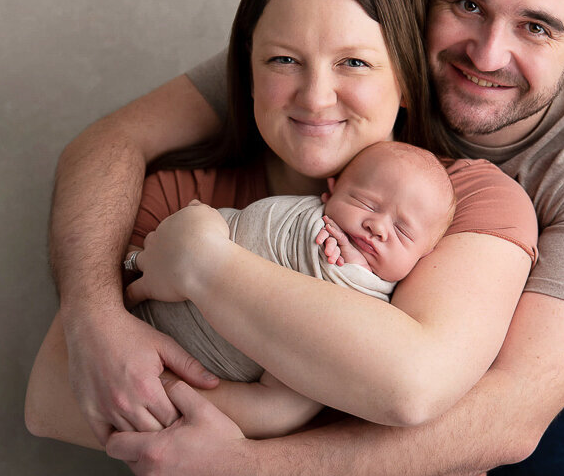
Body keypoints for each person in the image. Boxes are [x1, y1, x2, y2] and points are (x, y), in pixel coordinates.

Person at [25, 0, 538, 476]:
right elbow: (51, 402)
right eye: (284, 60)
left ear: (406, 84)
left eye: (353, 62)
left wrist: (203, 264)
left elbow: (409, 387)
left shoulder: (467, 201)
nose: (315, 97)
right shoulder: (173, 194)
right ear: (248, 75)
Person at [120, 140, 457, 440]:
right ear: (331, 191)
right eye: (365, 202)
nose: (377, 226)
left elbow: (275, 409)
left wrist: (352, 275)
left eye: (402, 231)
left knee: (273, 407)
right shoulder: (303, 216)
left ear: (425, 255)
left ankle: (153, 390)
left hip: (198, 376)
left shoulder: (380, 313)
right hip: (141, 314)